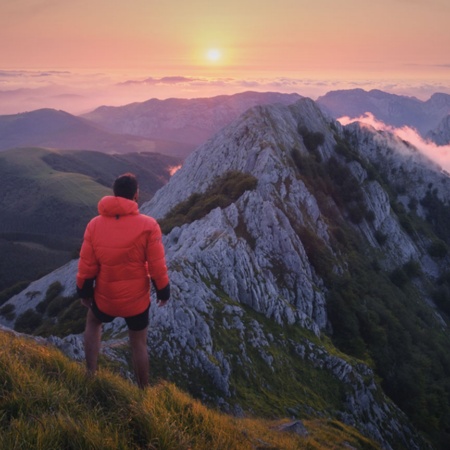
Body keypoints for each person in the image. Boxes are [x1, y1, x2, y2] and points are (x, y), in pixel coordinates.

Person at [76, 173, 170, 388]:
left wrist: (84, 293)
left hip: (105, 297)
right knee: (138, 342)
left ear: (114, 194)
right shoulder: (149, 225)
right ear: (136, 195)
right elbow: (156, 265)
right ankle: (143, 390)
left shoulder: (94, 225)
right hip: (136, 301)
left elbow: (87, 264)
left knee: (93, 322)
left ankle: (91, 374)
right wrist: (163, 292)